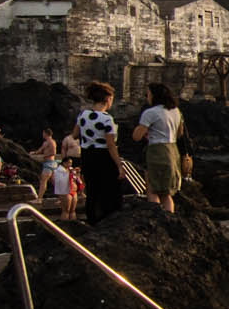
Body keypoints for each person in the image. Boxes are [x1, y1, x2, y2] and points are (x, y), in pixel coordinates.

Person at [75, 82, 124, 223]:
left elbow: (74, 134)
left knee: (92, 190)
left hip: (87, 155)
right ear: (108, 99)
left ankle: (92, 220)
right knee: (109, 190)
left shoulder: (83, 114)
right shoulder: (107, 119)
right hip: (104, 157)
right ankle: (108, 221)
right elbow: (110, 145)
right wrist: (119, 165)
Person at [131, 83, 184, 213]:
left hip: (157, 151)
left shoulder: (150, 113)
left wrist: (145, 132)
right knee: (166, 193)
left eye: (148, 94)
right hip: (172, 150)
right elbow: (180, 133)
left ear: (155, 96)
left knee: (153, 188)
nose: (147, 97)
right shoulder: (176, 111)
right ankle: (169, 218)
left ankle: (156, 217)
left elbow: (137, 136)